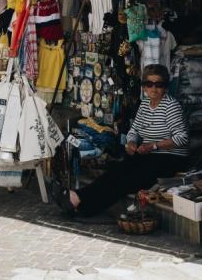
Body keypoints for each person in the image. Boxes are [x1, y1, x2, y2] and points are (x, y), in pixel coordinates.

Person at [56, 64, 190, 217]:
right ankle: (77, 198)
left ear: (165, 87)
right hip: (150, 155)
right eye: (149, 84)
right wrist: (131, 142)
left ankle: (85, 207)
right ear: (144, 87)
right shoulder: (145, 104)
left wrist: (153, 146)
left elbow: (182, 138)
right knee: (116, 170)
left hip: (171, 158)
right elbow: (134, 130)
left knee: (128, 180)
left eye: (158, 84)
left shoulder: (171, 106)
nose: (154, 88)